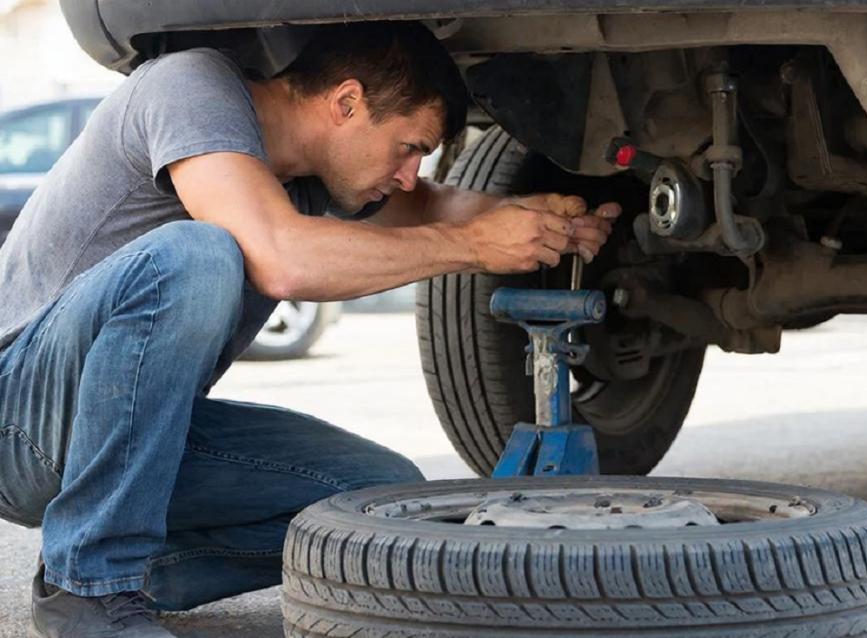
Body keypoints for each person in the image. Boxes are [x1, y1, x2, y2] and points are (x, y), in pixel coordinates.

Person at [0, 20, 620, 638]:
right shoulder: (189, 86)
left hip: (133, 433)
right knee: (197, 255)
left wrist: (533, 218)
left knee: (378, 499)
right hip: (21, 418)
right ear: (346, 102)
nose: (408, 171)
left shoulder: (312, 177)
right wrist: (473, 246)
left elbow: (428, 205)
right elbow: (281, 258)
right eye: (409, 147)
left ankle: (134, 571)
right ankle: (88, 586)